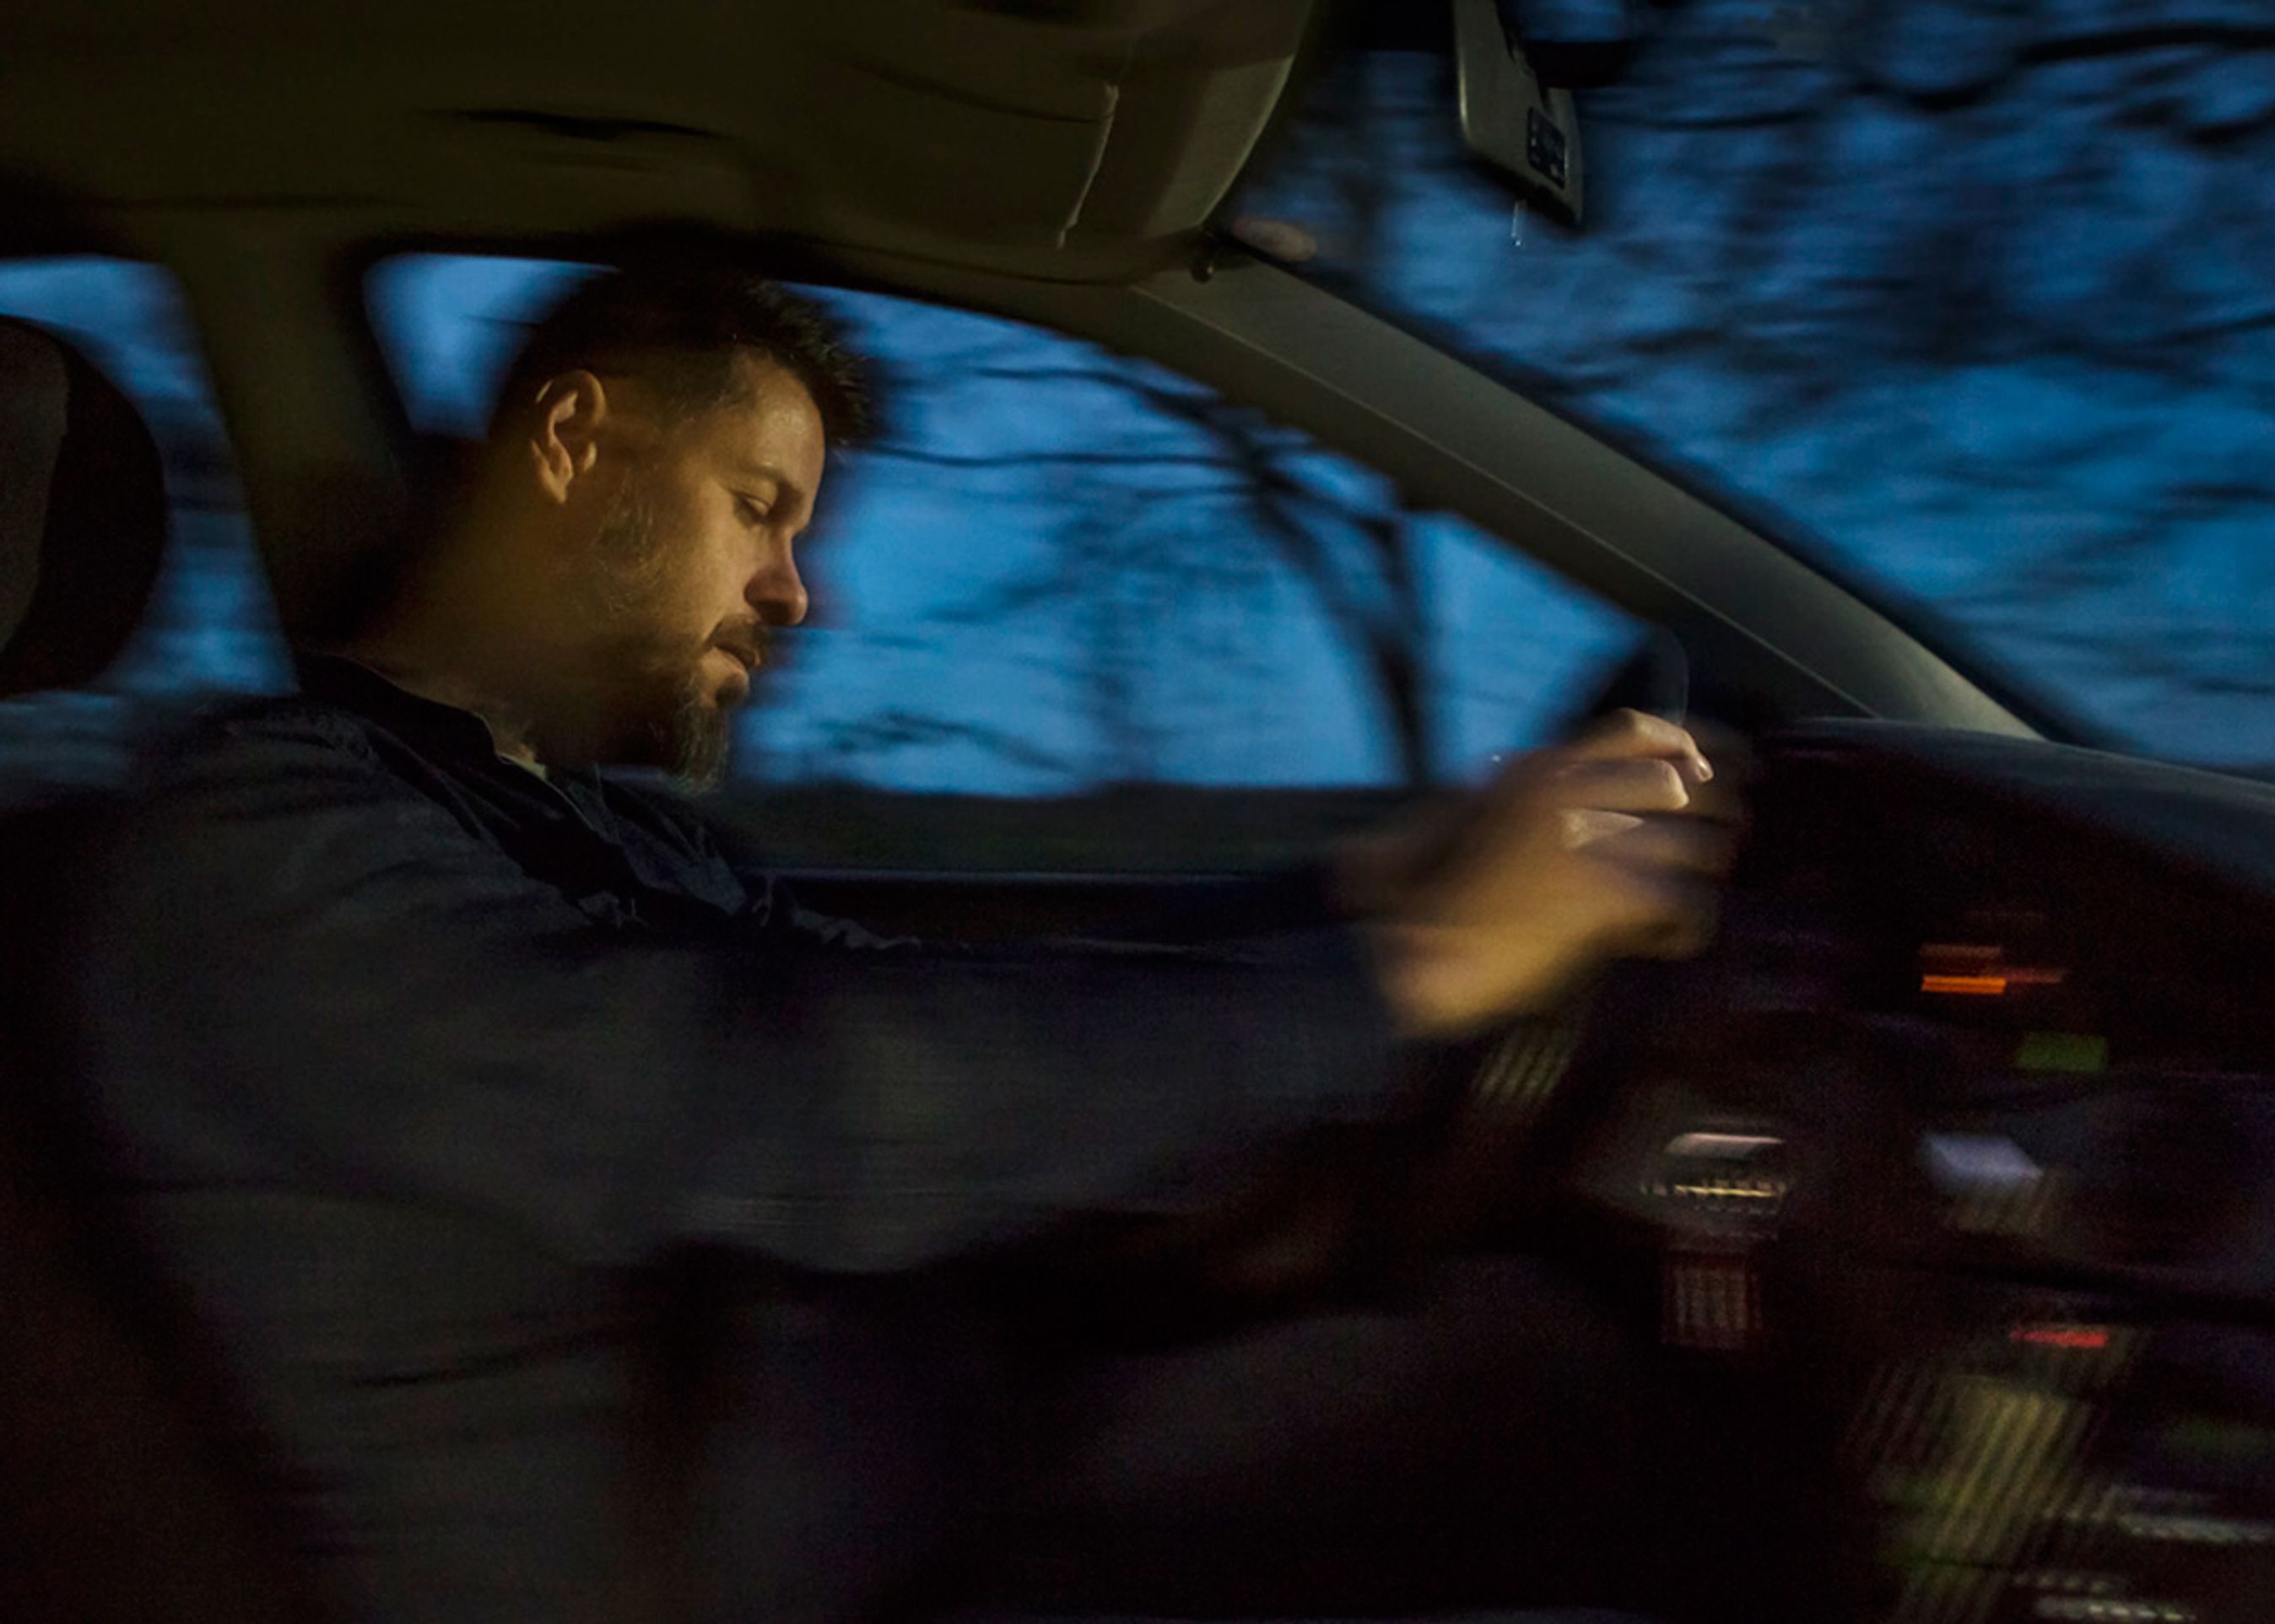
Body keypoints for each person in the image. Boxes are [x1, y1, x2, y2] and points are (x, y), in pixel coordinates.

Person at [66, 264, 1743, 1623]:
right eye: (758, 504)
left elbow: (894, 1003)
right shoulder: (254, 852)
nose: (806, 594)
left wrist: (1356, 895)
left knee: (1511, 1362)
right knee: (1548, 1398)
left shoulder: (602, 831)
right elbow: (772, 1098)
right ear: (575, 441)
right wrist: (1410, 973)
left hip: (959, 1471)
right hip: (879, 1576)